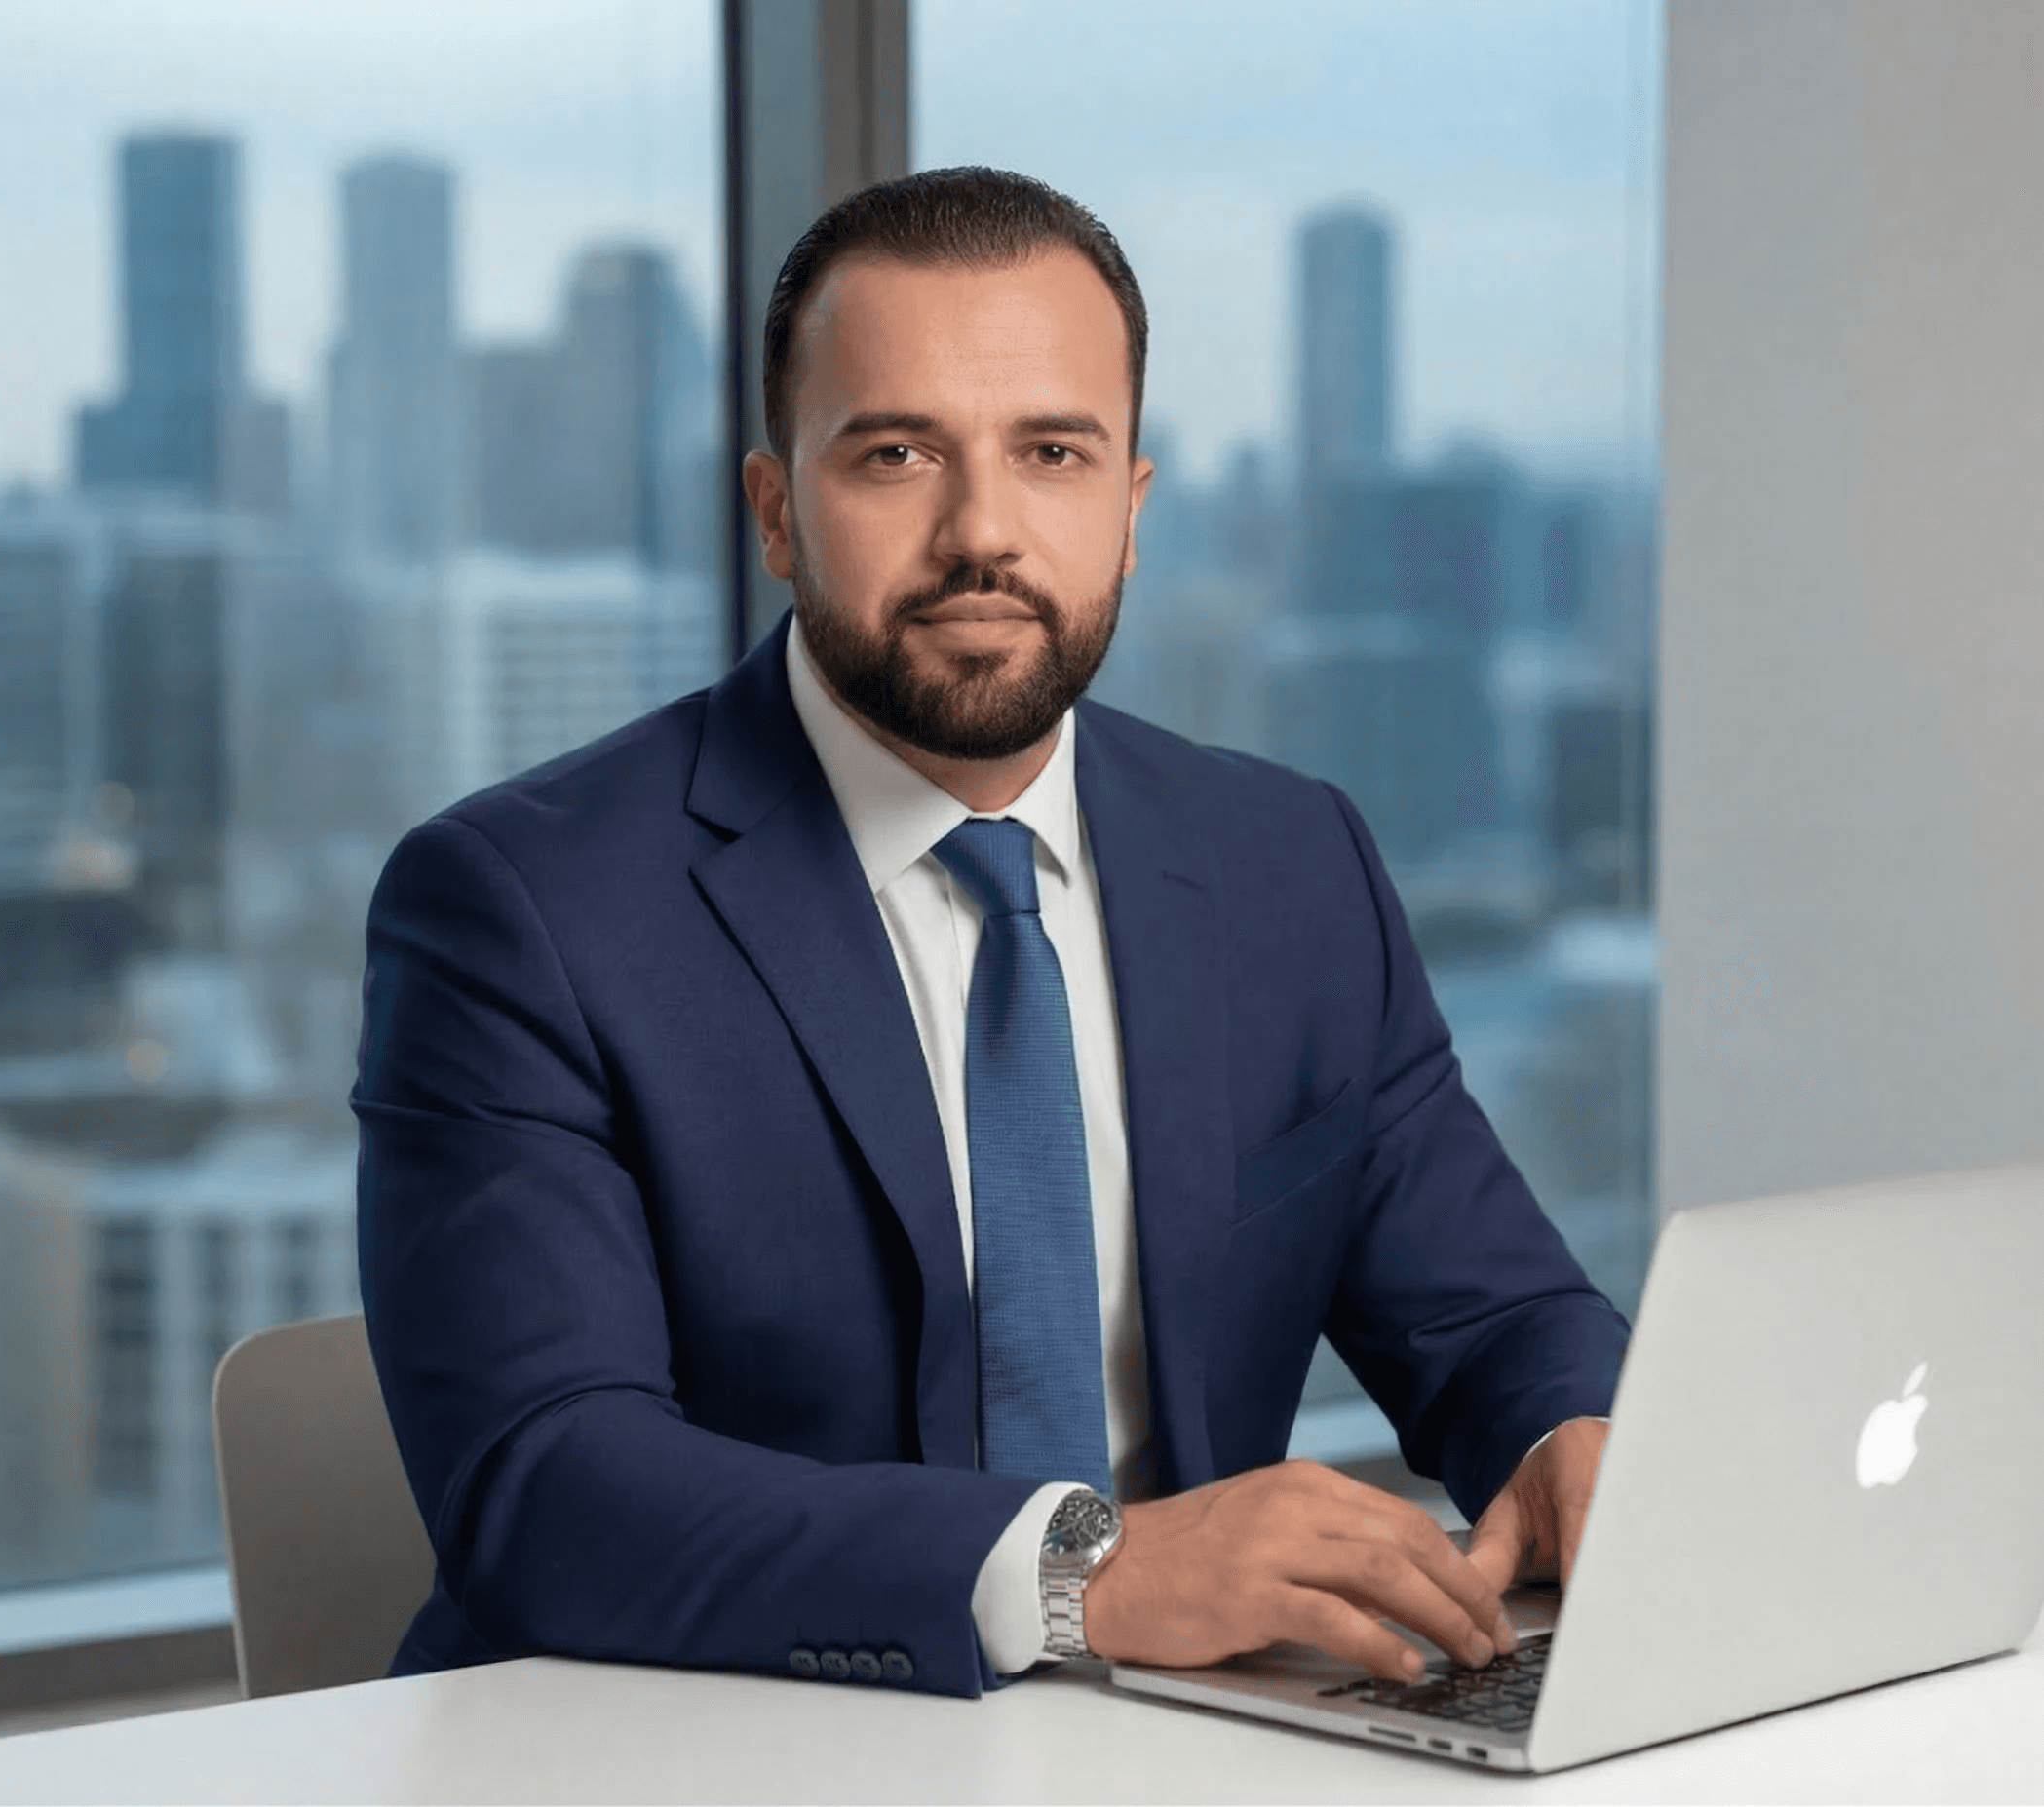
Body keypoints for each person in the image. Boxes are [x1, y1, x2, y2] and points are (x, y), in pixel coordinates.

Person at [354, 166, 1629, 1699]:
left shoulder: (1291, 862)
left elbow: (1493, 1311)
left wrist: (1575, 1433)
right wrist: (1086, 1568)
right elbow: (544, 1486)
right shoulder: (520, 906)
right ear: (776, 510)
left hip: (1192, 1735)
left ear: (1131, 507)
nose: (981, 530)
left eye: (1051, 452)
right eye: (895, 453)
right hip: (701, 1745)